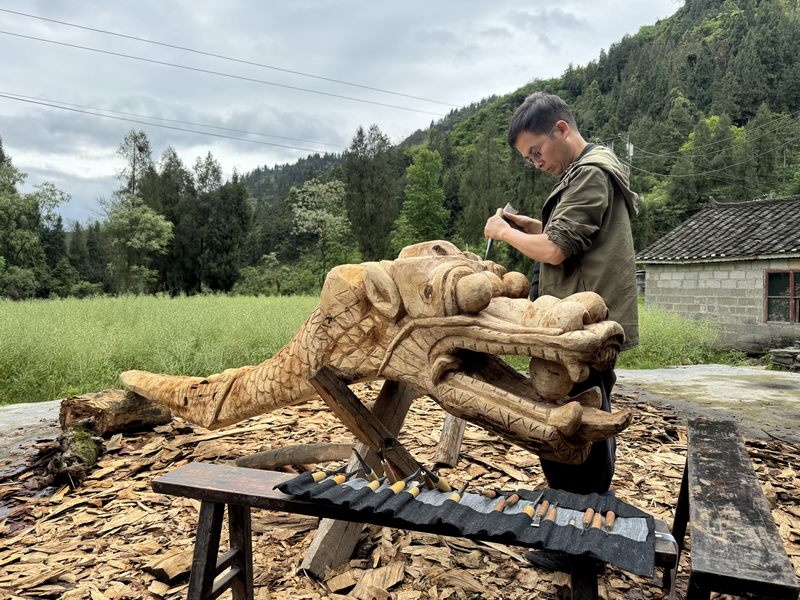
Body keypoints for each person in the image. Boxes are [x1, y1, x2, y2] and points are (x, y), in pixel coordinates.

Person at [484, 91, 639, 498]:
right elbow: (567, 238)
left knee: (572, 419)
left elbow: (556, 250)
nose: (537, 163)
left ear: (561, 129)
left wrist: (505, 233)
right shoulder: (587, 171)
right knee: (589, 412)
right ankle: (585, 508)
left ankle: (576, 519)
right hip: (582, 324)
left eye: (537, 152)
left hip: (581, 327)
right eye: (529, 159)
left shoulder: (590, 173)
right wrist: (531, 227)